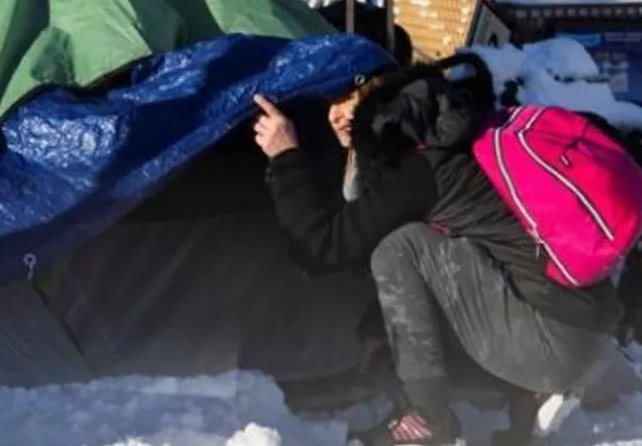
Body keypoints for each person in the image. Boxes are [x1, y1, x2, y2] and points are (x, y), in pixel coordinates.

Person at [252, 64, 619, 446]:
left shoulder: (424, 169)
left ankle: (429, 420)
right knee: (408, 249)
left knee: (400, 247)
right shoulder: (458, 138)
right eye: (328, 103)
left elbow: (322, 248)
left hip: (554, 345)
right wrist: (378, 329)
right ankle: (524, 390)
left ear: (374, 90)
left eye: (345, 97)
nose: (335, 114)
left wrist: (285, 156)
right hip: (583, 332)